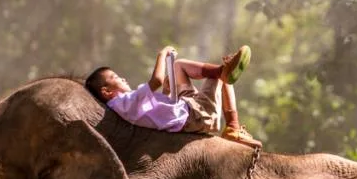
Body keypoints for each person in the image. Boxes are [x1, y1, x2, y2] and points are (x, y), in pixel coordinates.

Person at [85, 45, 262, 148]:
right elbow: (156, 80)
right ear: (107, 92)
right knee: (217, 77)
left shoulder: (127, 104)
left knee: (178, 66)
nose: (122, 77)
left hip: (185, 105)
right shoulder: (123, 103)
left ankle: (223, 70)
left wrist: (168, 91)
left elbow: (158, 113)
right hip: (197, 115)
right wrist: (162, 55)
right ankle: (233, 127)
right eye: (115, 77)